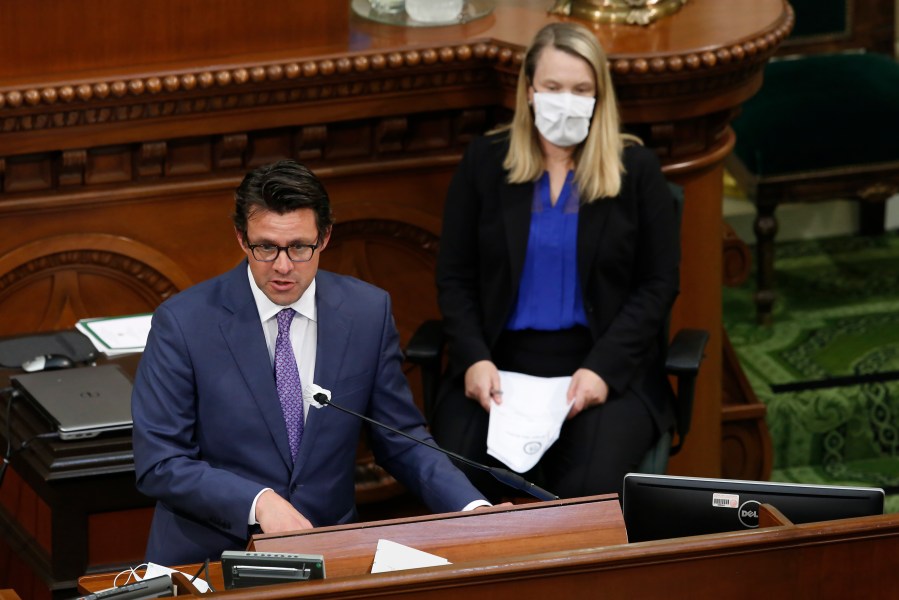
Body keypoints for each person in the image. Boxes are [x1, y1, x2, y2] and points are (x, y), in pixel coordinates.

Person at [132, 160, 489, 565]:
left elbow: (400, 435)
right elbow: (160, 461)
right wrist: (258, 502)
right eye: (266, 247)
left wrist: (471, 509)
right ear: (240, 238)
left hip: (328, 552)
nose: (283, 266)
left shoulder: (366, 312)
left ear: (324, 238)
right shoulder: (184, 322)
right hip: (211, 556)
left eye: (300, 247)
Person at [430, 22, 680, 502]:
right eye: (553, 87)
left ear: (599, 97)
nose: (566, 100)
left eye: (581, 89)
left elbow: (657, 284)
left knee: (586, 494)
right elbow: (454, 276)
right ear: (529, 91)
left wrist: (602, 370)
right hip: (500, 363)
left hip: (602, 363)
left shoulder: (637, 171)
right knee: (458, 484)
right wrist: (473, 358)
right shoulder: (485, 162)